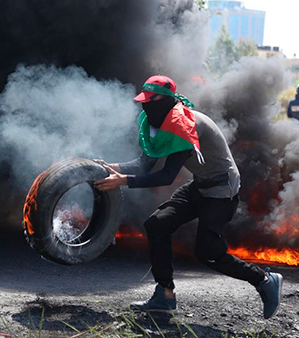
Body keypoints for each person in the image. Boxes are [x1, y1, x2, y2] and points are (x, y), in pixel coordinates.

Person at [94, 75, 283, 319]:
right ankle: (165, 295)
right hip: (201, 185)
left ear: (167, 100)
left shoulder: (184, 124)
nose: (146, 105)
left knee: (209, 253)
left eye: (152, 100)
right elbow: (143, 164)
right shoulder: (159, 120)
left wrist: (122, 181)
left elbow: (167, 176)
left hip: (220, 192)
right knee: (157, 224)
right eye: (144, 100)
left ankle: (265, 279)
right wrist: (113, 166)